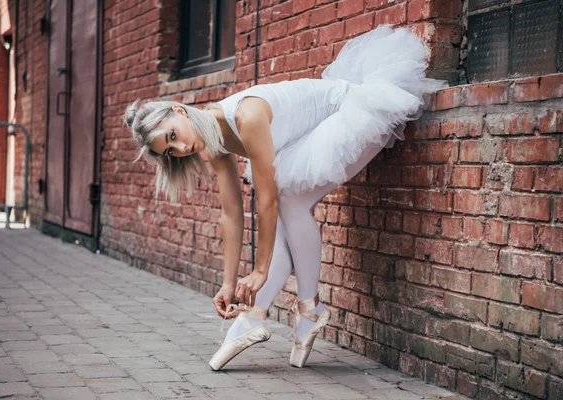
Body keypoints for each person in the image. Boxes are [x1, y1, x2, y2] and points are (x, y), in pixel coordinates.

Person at [124, 24, 448, 371]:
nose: (182, 147)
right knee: (285, 218)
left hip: (349, 109)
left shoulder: (246, 116)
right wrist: (229, 284)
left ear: (180, 111)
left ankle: (307, 308)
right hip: (305, 138)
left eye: (173, 135)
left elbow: (266, 201)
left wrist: (260, 271)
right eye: (171, 151)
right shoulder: (212, 143)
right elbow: (231, 214)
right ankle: (256, 315)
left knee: (289, 203)